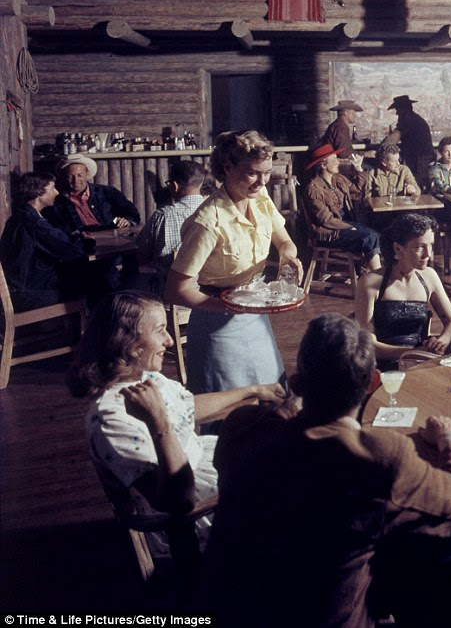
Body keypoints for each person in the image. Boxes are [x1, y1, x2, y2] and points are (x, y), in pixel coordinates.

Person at [203, 313, 451, 627]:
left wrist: (284, 415)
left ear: (296, 385)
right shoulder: (378, 458)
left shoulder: (241, 427)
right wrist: (450, 439)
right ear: (373, 383)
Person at [66, 291, 287, 544]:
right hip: (190, 521)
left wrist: (254, 390)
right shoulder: (110, 420)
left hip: (203, 472)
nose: (169, 340)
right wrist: (158, 422)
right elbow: (176, 501)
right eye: (160, 330)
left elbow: (186, 408)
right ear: (129, 344)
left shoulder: (143, 378)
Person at [165, 130, 303, 394]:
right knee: (230, 409)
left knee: (270, 395)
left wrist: (287, 258)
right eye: (253, 173)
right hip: (216, 321)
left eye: (267, 172)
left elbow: (285, 242)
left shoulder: (260, 198)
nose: (262, 182)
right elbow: (175, 290)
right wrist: (230, 307)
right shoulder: (208, 221)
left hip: (254, 313)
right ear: (227, 168)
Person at [356, 212, 451, 367]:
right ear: (398, 249)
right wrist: (413, 353)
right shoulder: (369, 282)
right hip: (382, 367)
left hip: (420, 362)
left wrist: (440, 343)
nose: (428, 255)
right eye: (419, 247)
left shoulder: (430, 276)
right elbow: (368, 345)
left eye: (430, 245)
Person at [0, 171, 94, 310]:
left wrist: (72, 238)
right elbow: (73, 250)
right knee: (93, 285)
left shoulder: (20, 216)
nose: (57, 193)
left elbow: (53, 239)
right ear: (39, 192)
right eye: (53, 188)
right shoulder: (34, 222)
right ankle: (82, 330)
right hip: (27, 296)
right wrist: (86, 241)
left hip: (17, 291)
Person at [302, 143, 381, 272]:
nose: (338, 162)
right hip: (328, 232)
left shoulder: (338, 179)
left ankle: (369, 272)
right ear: (323, 164)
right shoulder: (314, 188)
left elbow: (357, 192)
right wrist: (349, 227)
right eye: (333, 160)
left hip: (344, 223)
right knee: (370, 238)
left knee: (377, 235)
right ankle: (377, 278)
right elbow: (325, 220)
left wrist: (358, 169)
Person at [135, 159, 210, 290]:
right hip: (205, 295)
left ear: (174, 185)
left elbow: (142, 257)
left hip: (171, 294)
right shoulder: (214, 211)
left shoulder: (163, 216)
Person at [51, 155, 141, 232]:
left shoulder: (108, 192)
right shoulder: (59, 201)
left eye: (80, 175)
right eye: (70, 176)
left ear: (87, 174)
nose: (76, 181)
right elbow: (59, 228)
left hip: (113, 238)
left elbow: (132, 212)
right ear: (64, 177)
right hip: (83, 244)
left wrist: (128, 221)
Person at [385, 94, 434, 183]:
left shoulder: (408, 121)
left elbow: (391, 140)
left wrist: (382, 147)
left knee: (415, 185)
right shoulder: (414, 119)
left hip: (419, 162)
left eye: (398, 110)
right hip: (422, 160)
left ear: (403, 109)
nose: (397, 113)